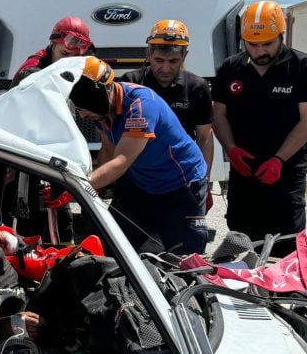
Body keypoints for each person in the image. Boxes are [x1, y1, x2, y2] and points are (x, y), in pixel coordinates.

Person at [212, 1, 307, 250]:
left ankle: (282, 290)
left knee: (285, 240)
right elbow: (218, 114)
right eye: (253, 44)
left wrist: (278, 160)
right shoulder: (231, 68)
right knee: (242, 237)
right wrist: (230, 148)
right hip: (244, 171)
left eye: (268, 44)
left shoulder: (303, 68)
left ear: (281, 36)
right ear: (243, 39)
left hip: (285, 172)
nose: (260, 51)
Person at [68, 57, 209, 254]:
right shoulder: (101, 109)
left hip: (181, 183)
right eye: (79, 108)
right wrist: (97, 189)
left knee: (183, 258)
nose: (82, 116)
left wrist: (78, 186)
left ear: (105, 91)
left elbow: (121, 161)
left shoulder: (141, 105)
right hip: (142, 183)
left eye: (85, 107)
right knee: (111, 246)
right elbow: (108, 148)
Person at [119, 20, 214, 170]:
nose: (165, 68)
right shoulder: (130, 83)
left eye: (173, 61)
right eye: (159, 60)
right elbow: (112, 135)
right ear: (148, 54)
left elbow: (205, 137)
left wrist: (204, 181)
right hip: (137, 174)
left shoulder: (197, 87)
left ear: (185, 56)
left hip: (180, 173)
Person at [11, 16, 94, 86]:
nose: (68, 61)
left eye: (75, 57)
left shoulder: (80, 65)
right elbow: (23, 76)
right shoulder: (36, 61)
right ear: (52, 43)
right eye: (64, 53)